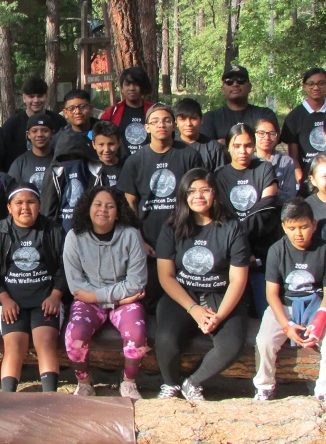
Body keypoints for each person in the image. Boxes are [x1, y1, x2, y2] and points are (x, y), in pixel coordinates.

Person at [155, 169, 250, 401]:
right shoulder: (171, 226)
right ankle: (171, 384)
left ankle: (193, 383)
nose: (198, 196)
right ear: (183, 195)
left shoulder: (231, 228)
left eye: (205, 190)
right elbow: (166, 276)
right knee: (165, 339)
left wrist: (219, 316)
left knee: (231, 345)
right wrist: (193, 309)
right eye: (192, 191)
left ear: (215, 194)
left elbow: (238, 279)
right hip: (182, 295)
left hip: (220, 293)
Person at [253, 198, 326, 411]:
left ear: (314, 223)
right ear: (284, 227)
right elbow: (272, 294)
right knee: (264, 341)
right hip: (284, 305)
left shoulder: (325, 250)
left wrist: (320, 321)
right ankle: (264, 386)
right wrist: (286, 325)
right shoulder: (277, 250)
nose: (299, 233)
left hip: (317, 305)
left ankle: (323, 393)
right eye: (292, 228)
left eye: (303, 227)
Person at [63, 187, 147, 399]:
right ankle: (84, 381)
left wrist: (100, 297)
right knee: (74, 335)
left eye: (110, 206)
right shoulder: (74, 237)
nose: (103, 210)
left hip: (124, 301)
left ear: (118, 212)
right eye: (97, 205)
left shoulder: (131, 235)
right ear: (88, 209)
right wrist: (101, 298)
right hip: (96, 300)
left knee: (136, 335)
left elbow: (137, 282)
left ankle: (128, 381)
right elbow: (76, 285)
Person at [0, 185, 67, 393]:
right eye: (19, 203)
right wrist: (4, 299)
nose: (25, 207)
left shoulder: (53, 229)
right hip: (12, 302)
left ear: (39, 205)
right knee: (14, 345)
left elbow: (68, 267)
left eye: (31, 202)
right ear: (9, 207)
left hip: (46, 300)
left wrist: (56, 295)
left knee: (45, 342)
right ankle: (8, 399)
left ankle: (50, 398)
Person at [119, 104, 204, 306]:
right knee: (149, 299)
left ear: (174, 125)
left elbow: (199, 195)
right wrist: (139, 239)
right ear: (147, 127)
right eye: (155, 121)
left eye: (166, 120)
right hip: (149, 239)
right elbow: (129, 202)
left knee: (182, 294)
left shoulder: (189, 155)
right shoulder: (135, 160)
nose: (161, 125)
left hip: (183, 235)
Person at [214, 124, 279, 314]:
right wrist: (240, 248)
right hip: (231, 254)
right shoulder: (219, 175)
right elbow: (222, 214)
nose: (243, 151)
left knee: (265, 311)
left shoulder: (264, 169)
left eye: (248, 145)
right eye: (237, 145)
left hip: (261, 251)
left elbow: (267, 207)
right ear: (228, 147)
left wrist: (240, 238)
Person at [281, 67, 326, 185]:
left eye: (321, 83)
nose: (316, 87)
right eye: (311, 84)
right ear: (304, 86)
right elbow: (294, 157)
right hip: (307, 179)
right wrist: (303, 182)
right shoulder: (294, 117)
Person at [200, 64, 278, 147]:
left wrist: (224, 143)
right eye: (229, 81)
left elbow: (269, 144)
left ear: (250, 87)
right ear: (222, 89)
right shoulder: (210, 118)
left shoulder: (265, 115)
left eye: (241, 80)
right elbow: (208, 151)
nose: (235, 84)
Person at [40, 126, 102, 230]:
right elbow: (47, 208)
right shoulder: (53, 173)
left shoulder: (95, 171)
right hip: (60, 232)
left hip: (90, 231)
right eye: (66, 158)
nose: (72, 161)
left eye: (76, 157)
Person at [1, 77, 67, 168]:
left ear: (46, 96)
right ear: (24, 98)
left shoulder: (59, 121)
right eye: (31, 96)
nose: (36, 100)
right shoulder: (11, 125)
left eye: (40, 96)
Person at [100, 67, 155, 157]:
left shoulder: (154, 111)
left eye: (136, 84)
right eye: (127, 84)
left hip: (149, 162)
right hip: (121, 164)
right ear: (121, 87)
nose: (132, 88)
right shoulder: (112, 112)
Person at [174, 98, 225, 173]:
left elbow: (220, 178)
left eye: (193, 118)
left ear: (201, 120)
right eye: (183, 119)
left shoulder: (214, 147)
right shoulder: (170, 146)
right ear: (176, 123)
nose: (188, 124)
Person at [7, 114, 55, 190]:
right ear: (28, 134)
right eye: (34, 131)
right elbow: (12, 193)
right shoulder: (19, 163)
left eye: (44, 130)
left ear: (52, 134)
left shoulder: (59, 160)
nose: (39, 135)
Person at [255, 117, 298, 201]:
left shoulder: (286, 162)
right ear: (254, 135)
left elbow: (290, 195)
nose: (267, 137)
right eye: (261, 133)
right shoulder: (247, 160)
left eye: (271, 133)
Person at [90, 120, 126, 187]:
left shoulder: (127, 167)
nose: (106, 150)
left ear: (118, 143)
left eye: (111, 144)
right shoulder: (90, 169)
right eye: (101, 144)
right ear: (94, 144)